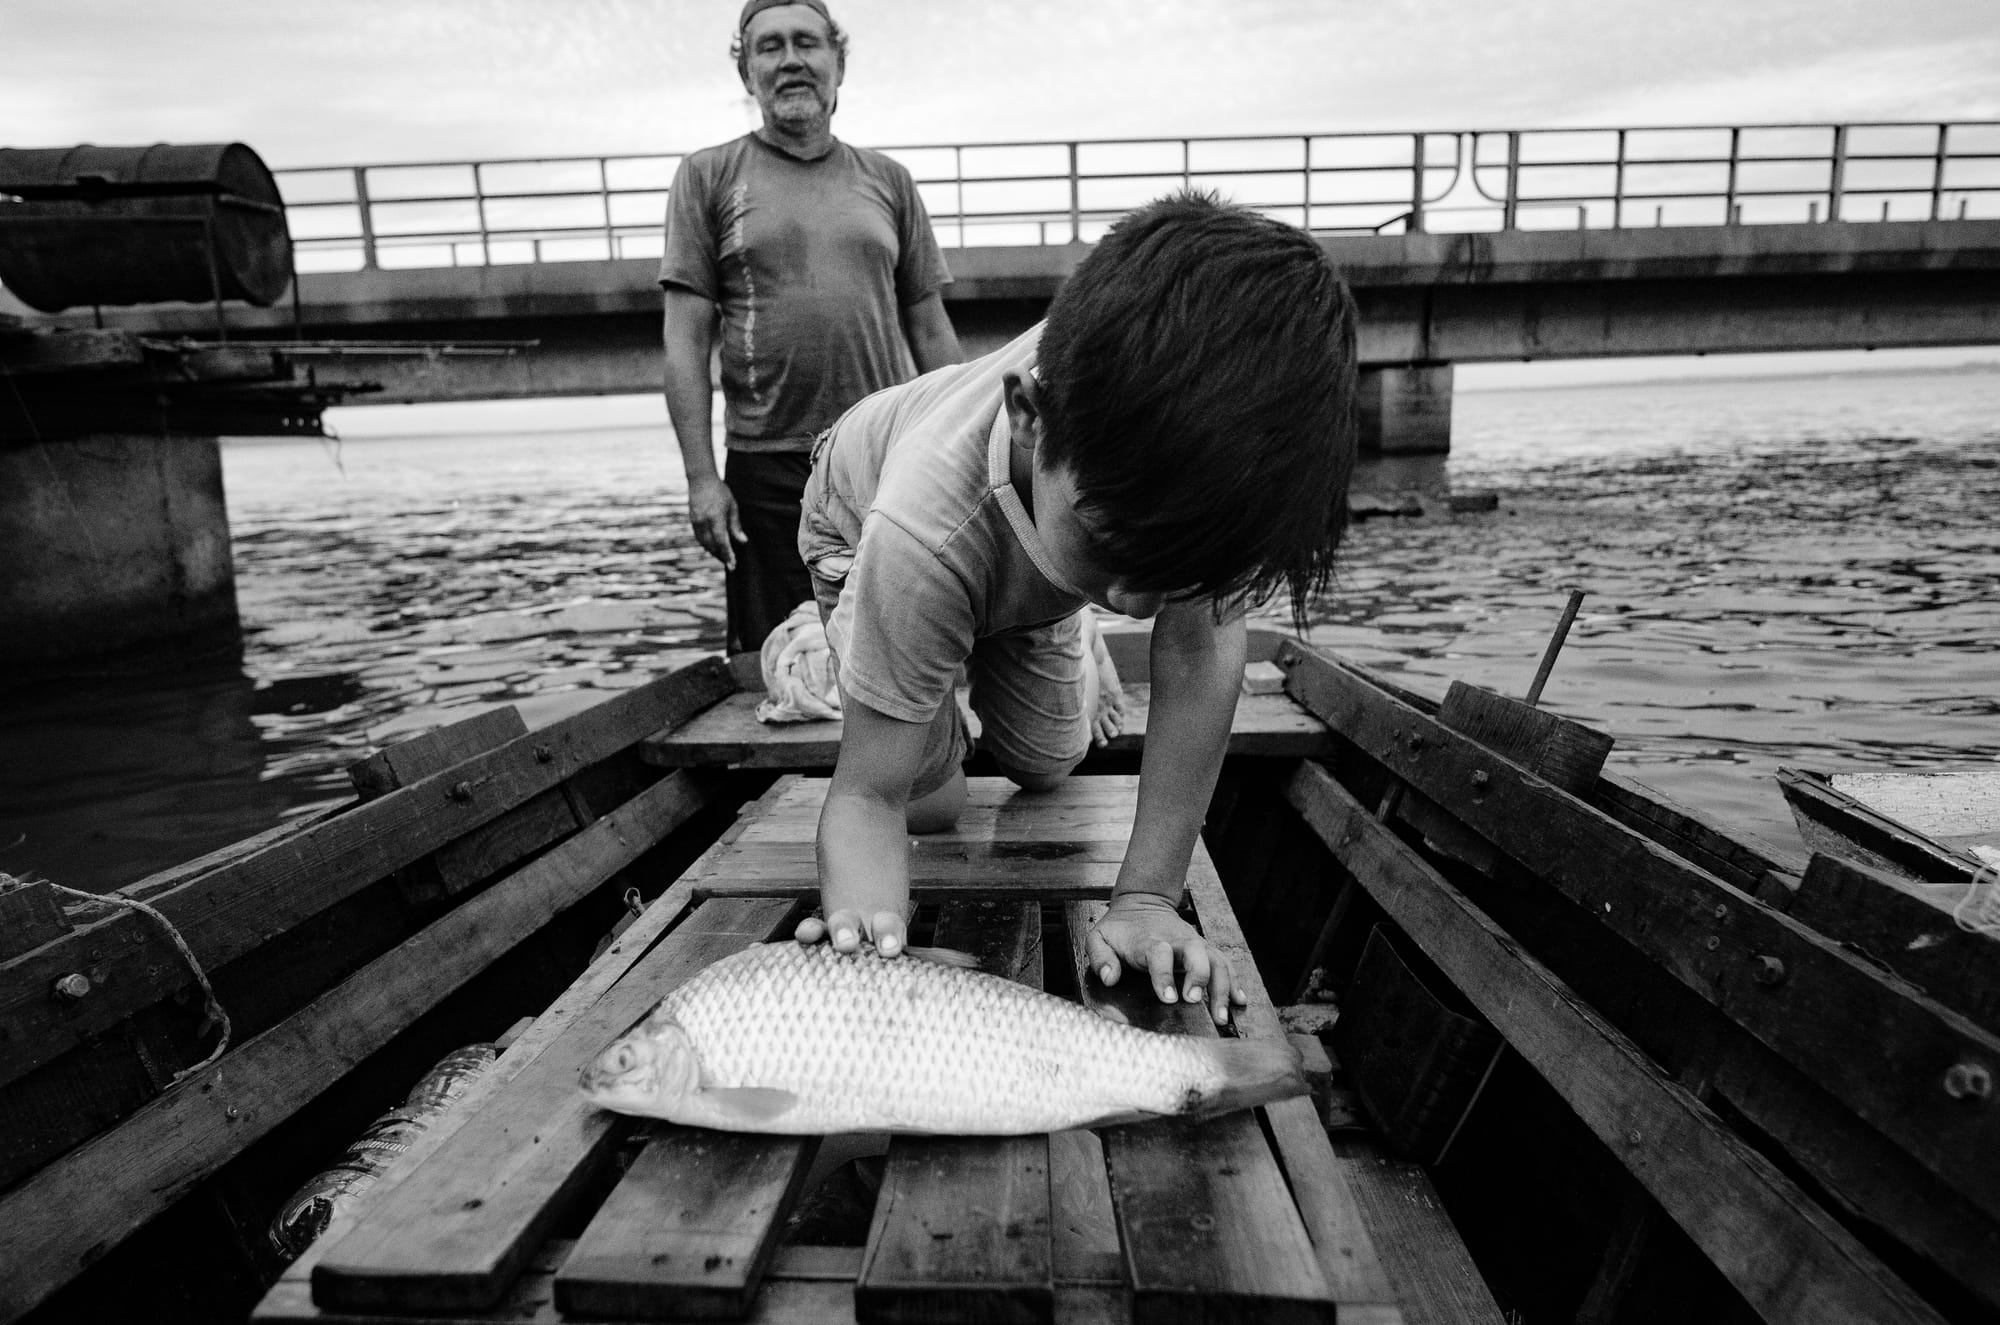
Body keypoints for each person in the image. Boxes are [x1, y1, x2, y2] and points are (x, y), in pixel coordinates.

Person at [792, 192, 1359, 1022]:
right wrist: (870, 951)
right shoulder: (918, 532)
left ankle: (1025, 622)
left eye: (1171, 575)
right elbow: (869, 800)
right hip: (863, 519)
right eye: (1110, 549)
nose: (1134, 601)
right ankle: (849, 644)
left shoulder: (1209, 480)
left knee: (1050, 762)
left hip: (1033, 553)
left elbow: (1199, 651)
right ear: (1029, 417)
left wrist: (1146, 898)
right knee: (934, 801)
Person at [660, 0, 963, 656]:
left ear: (839, 62)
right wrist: (700, 479)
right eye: (769, 47)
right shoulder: (707, 176)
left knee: (900, 649)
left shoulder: (889, 181)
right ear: (746, 71)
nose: (791, 59)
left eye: (808, 43)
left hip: (885, 458)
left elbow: (930, 328)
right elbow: (685, 341)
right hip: (766, 470)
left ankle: (902, 760)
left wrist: (963, 443)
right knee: (778, 661)